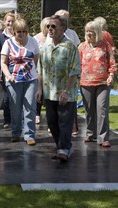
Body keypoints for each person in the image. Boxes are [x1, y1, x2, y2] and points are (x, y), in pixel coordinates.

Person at [37, 15, 81, 161]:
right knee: (51, 122)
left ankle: (64, 149)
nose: (50, 29)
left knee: (64, 123)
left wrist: (67, 91)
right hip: (49, 93)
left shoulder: (70, 47)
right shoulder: (45, 47)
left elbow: (74, 71)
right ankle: (63, 146)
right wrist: (39, 89)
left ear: (63, 28)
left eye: (53, 26)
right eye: (48, 26)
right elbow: (40, 70)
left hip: (65, 93)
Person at [0, 18, 39, 145]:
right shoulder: (8, 43)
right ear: (14, 32)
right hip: (13, 80)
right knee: (15, 108)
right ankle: (16, 132)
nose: (21, 34)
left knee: (30, 107)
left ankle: (29, 135)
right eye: (18, 32)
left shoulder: (33, 41)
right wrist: (8, 76)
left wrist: (32, 73)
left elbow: (36, 60)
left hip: (30, 80)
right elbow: (3, 63)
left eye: (24, 31)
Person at [78, 21, 117, 147]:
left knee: (102, 110)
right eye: (87, 31)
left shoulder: (105, 45)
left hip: (103, 82)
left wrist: (111, 75)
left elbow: (112, 62)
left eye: (92, 31)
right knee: (89, 110)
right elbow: (77, 65)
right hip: (86, 82)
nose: (89, 34)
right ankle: (90, 133)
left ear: (98, 32)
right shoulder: (82, 47)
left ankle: (103, 137)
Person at [0, 12, 16, 129]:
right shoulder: (0, 37)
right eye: (8, 21)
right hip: (5, 71)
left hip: (18, 70)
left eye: (12, 21)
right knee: (7, 97)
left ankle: (18, 119)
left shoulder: (19, 35)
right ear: (4, 22)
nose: (10, 23)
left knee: (18, 96)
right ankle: (7, 120)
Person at [33, 17, 50, 124]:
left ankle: (50, 115)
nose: (49, 28)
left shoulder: (53, 38)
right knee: (38, 92)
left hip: (50, 70)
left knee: (49, 94)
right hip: (37, 68)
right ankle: (37, 114)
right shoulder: (36, 38)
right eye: (47, 26)